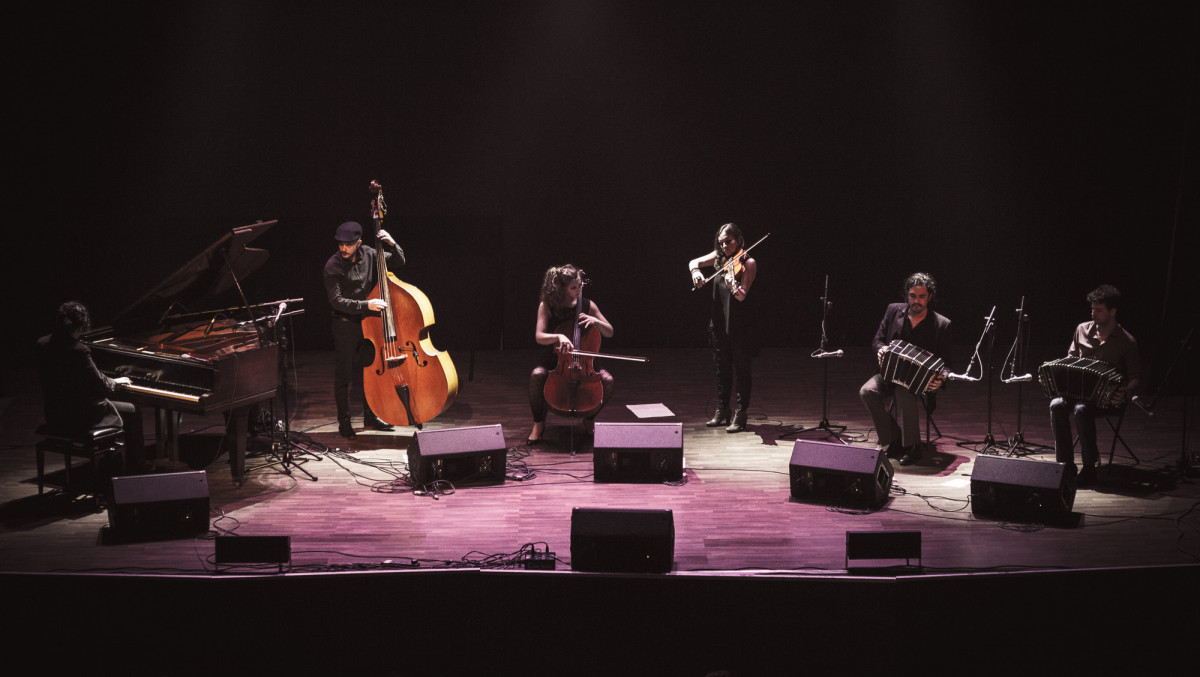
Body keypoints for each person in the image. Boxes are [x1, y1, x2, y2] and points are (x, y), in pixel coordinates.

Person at [35, 300, 145, 472]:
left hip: (56, 414)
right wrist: (116, 381)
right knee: (132, 410)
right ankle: (135, 468)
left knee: (106, 402)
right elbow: (101, 384)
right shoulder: (78, 350)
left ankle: (109, 462)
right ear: (81, 326)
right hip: (81, 417)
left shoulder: (42, 343)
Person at [1050, 284, 1141, 487]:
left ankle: (1089, 467)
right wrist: (1057, 376)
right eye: (1092, 309)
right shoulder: (1081, 330)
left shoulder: (1127, 342)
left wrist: (1126, 392)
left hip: (1106, 399)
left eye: (1099, 310)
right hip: (1076, 392)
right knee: (1056, 405)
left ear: (1112, 311)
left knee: (1082, 409)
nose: (1093, 314)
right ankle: (1065, 466)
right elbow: (1069, 361)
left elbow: (1135, 378)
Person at [322, 220, 405, 439]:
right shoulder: (332, 266)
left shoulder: (369, 253)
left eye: (348, 244)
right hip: (345, 325)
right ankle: (344, 422)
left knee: (370, 372)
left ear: (358, 243)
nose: (343, 248)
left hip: (368, 324)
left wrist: (392, 243)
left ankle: (371, 416)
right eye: (340, 244)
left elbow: (399, 261)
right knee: (344, 376)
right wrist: (366, 305)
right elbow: (337, 301)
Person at [858, 272, 952, 465]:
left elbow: (948, 364)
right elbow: (877, 340)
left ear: (929, 297)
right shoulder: (893, 310)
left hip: (918, 382)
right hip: (889, 374)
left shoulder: (941, 324)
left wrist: (941, 378)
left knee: (903, 391)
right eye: (912, 296)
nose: (916, 301)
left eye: (922, 296)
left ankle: (913, 447)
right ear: (906, 294)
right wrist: (881, 349)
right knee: (866, 391)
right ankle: (894, 439)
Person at [527, 264, 615, 445]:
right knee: (537, 375)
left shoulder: (588, 305)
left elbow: (609, 332)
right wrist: (558, 336)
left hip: (585, 360)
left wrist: (595, 320)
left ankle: (589, 419)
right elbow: (539, 336)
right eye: (574, 287)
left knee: (608, 381)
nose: (579, 290)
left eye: (580, 285)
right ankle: (538, 424)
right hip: (555, 358)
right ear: (561, 288)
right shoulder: (548, 305)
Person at [689, 223, 758, 433]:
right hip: (719, 321)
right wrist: (695, 272)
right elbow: (694, 261)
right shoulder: (719, 257)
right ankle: (722, 409)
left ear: (738, 239)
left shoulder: (748, 262)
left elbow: (742, 296)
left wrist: (732, 284)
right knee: (722, 368)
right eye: (721, 243)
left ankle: (741, 413)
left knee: (741, 369)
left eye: (729, 241)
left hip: (739, 324)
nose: (725, 246)